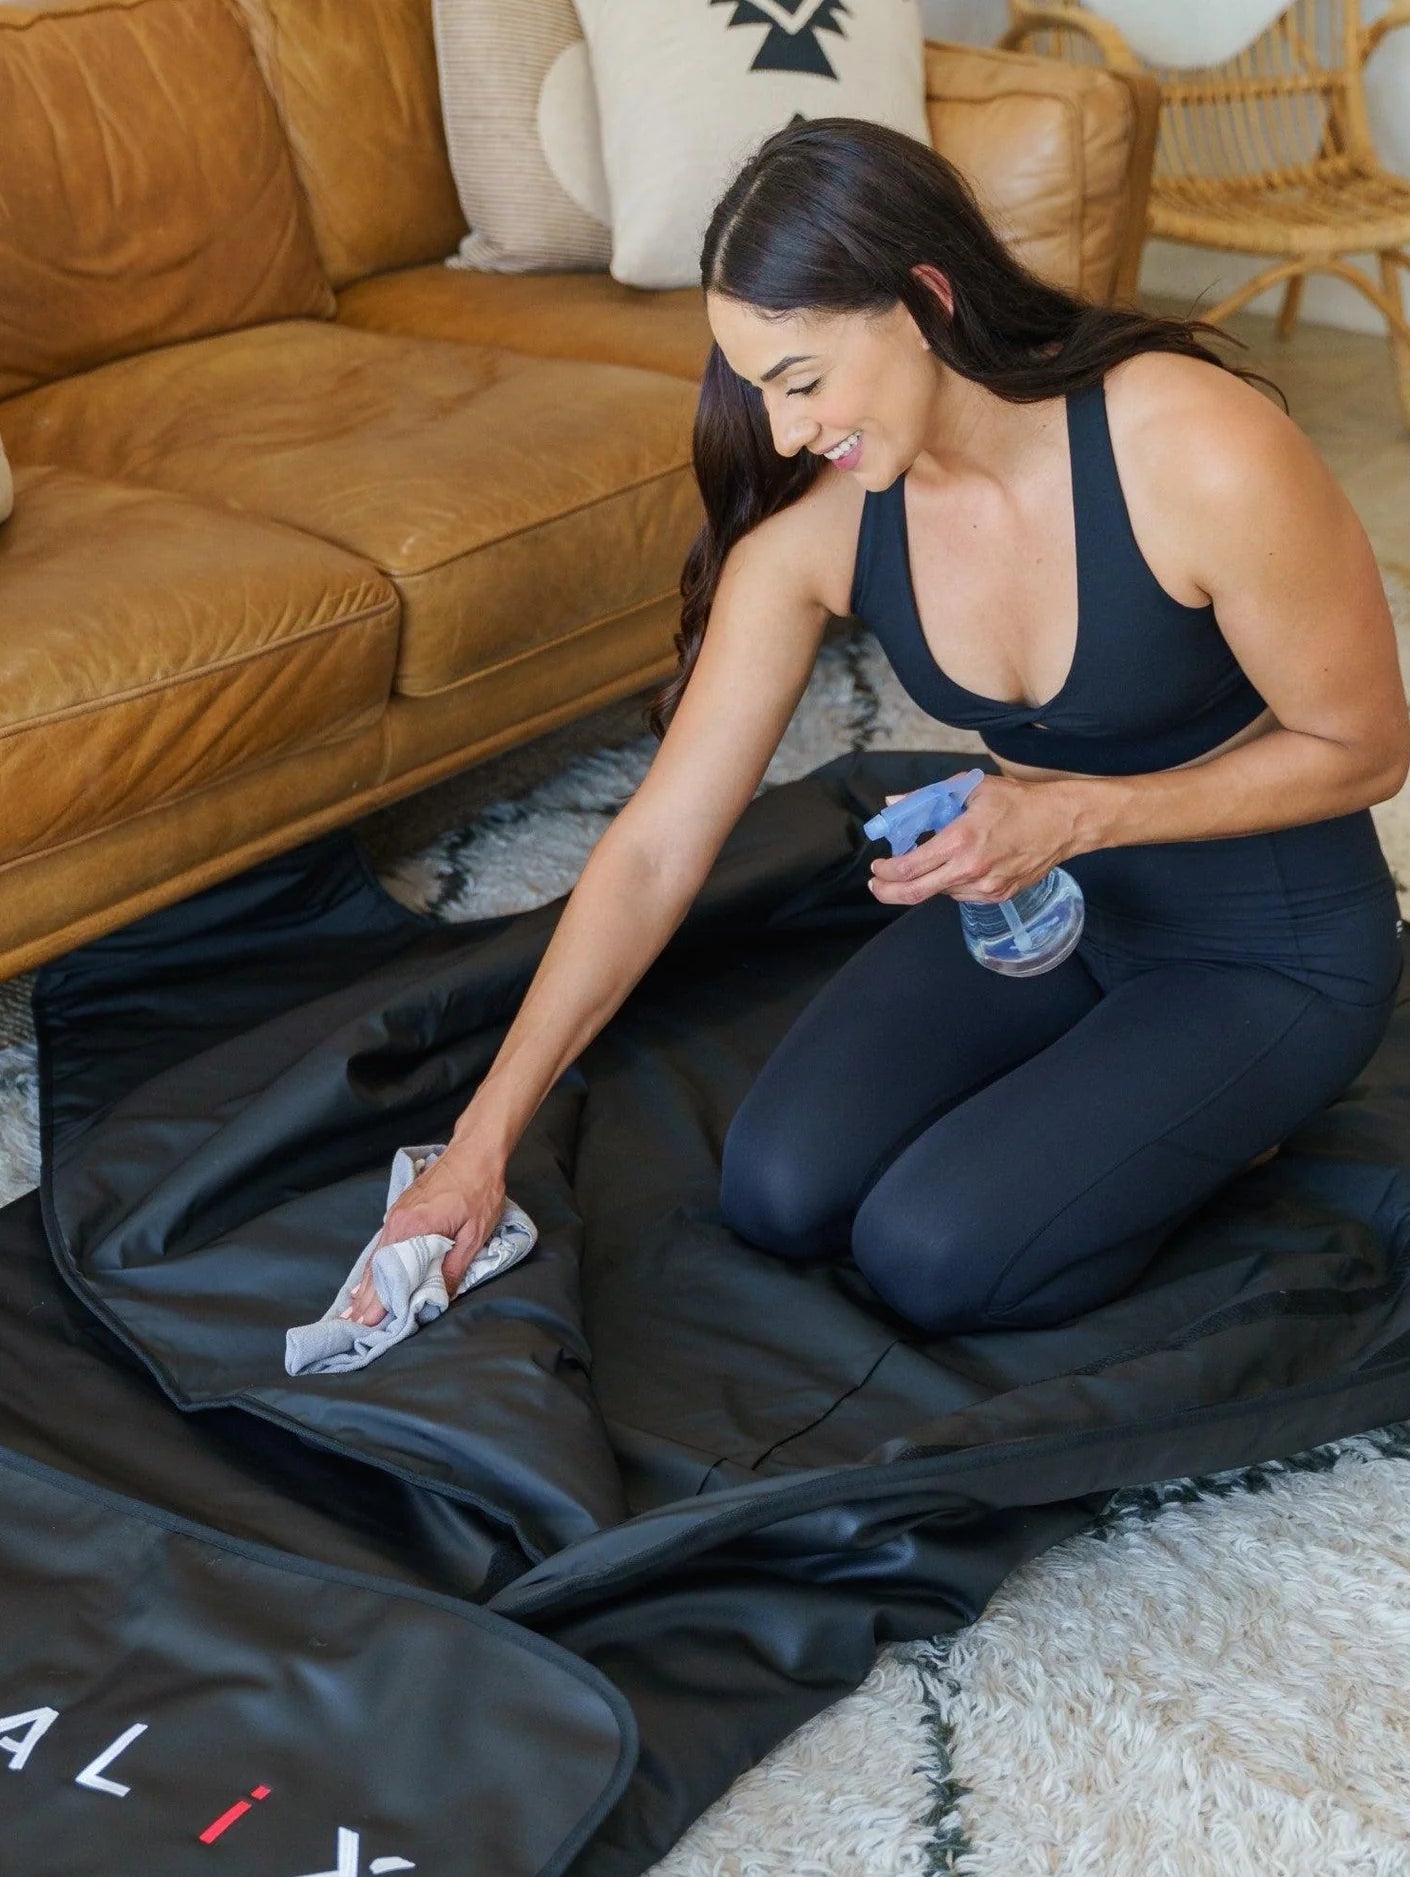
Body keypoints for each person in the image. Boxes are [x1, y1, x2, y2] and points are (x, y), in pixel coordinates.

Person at [338, 116, 1410, 1338]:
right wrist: (476, 1148)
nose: (787, 432)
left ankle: (1241, 1128)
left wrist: (1072, 810)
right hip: (1039, 916)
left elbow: (1367, 745)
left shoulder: (1190, 448)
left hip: (1265, 950)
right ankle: (1112, 1105)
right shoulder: (829, 527)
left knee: (933, 1257)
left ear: (923, 299)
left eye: (801, 382)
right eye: (759, 391)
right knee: (776, 1190)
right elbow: (652, 847)